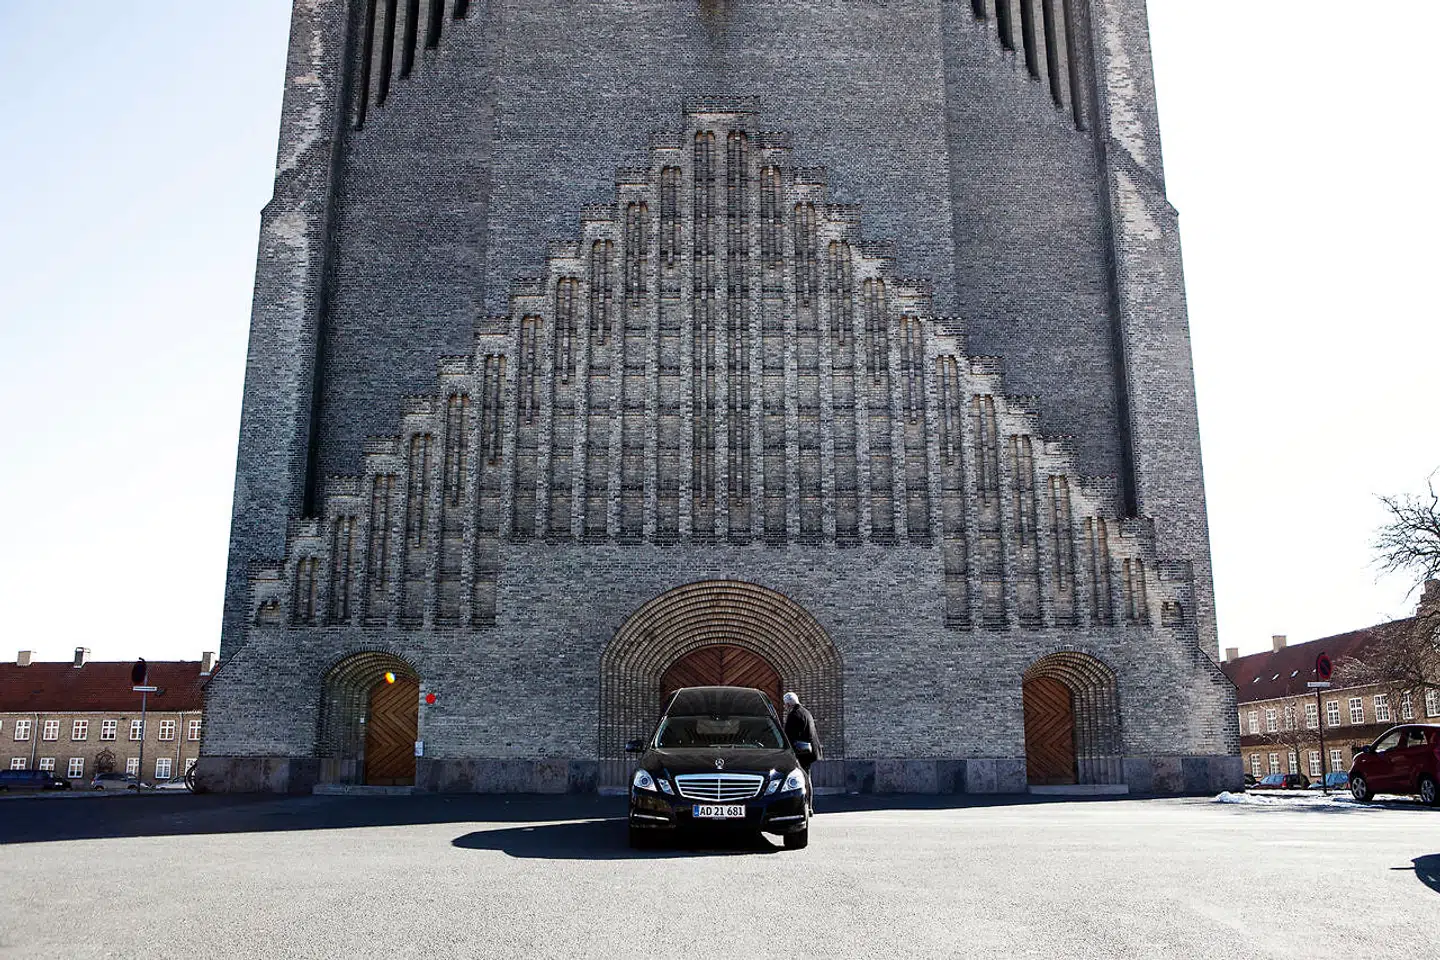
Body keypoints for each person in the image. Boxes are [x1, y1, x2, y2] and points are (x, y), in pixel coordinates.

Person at [782, 692, 821, 767]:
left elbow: (788, 735)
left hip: (801, 753)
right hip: (811, 751)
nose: (785, 707)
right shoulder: (806, 712)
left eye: (785, 704)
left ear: (788, 704)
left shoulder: (794, 715)